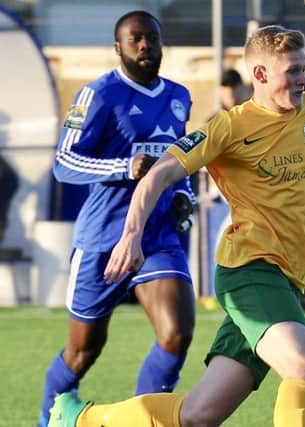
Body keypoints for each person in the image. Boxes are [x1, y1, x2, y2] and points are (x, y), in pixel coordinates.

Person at [49, 25, 305, 427]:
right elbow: (157, 175)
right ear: (260, 75)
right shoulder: (229, 127)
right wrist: (131, 235)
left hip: (289, 278)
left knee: (199, 415)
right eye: (292, 71)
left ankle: (79, 418)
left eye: (303, 68)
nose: (302, 79)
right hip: (250, 270)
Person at [37, 11, 197, 426]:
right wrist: (125, 167)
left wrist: (182, 195)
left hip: (156, 237)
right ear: (119, 47)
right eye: (136, 39)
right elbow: (63, 163)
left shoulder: (179, 96)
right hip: (103, 239)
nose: (145, 46)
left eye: (152, 38)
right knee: (83, 350)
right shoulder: (98, 95)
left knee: (176, 333)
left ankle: (144, 419)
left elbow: (177, 161)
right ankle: (51, 417)